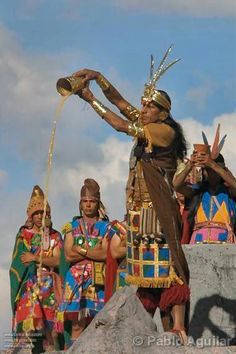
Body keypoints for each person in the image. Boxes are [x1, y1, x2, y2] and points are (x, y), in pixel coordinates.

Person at [73, 47, 190, 342]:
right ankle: (146, 333)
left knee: (169, 269)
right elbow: (122, 103)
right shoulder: (150, 123)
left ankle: (179, 328)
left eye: (149, 107)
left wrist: (90, 100)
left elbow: (119, 123)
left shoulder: (162, 131)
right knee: (147, 274)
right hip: (139, 213)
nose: (144, 110)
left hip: (158, 211)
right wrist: (98, 78)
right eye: (145, 106)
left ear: (162, 113)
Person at [57, 178, 116, 348]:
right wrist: (92, 252)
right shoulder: (71, 226)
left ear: (98, 203)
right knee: (77, 324)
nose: (88, 205)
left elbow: (105, 253)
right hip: (75, 281)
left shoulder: (106, 227)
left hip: (97, 279)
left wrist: (81, 250)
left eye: (92, 201)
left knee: (96, 324)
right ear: (80, 203)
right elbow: (68, 254)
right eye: (85, 201)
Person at [10, 185, 63, 352]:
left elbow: (57, 260)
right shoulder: (23, 236)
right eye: (37, 213)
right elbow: (21, 263)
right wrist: (38, 261)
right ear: (31, 216)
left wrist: (35, 258)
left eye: (44, 212)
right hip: (29, 285)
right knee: (28, 327)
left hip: (50, 286)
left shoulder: (54, 236)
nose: (41, 216)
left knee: (51, 331)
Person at [173, 132, 236, 244]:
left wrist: (212, 164)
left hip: (224, 240)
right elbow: (177, 185)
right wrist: (190, 165)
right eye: (207, 170)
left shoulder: (229, 191)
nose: (209, 173)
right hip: (198, 239)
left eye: (213, 170)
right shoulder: (197, 191)